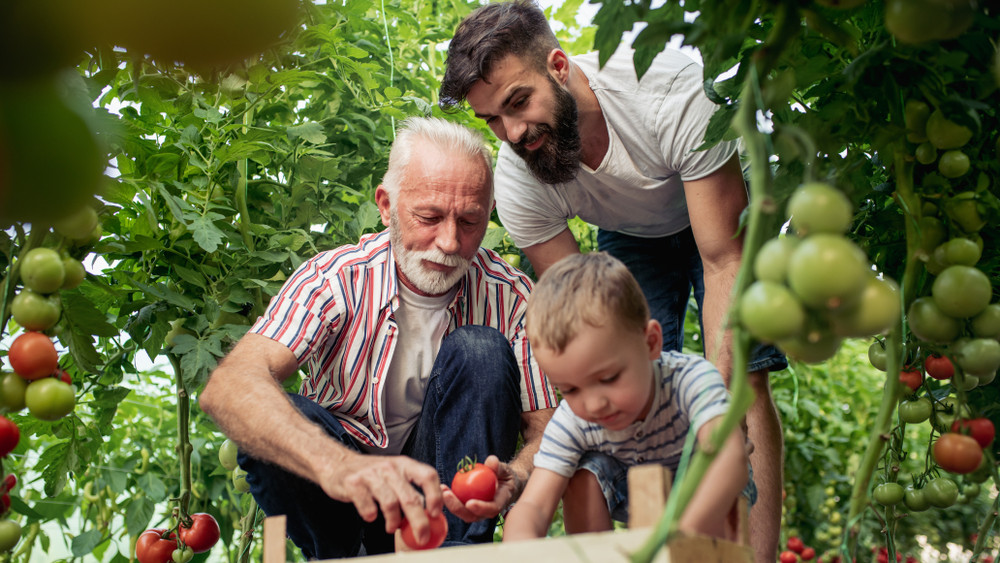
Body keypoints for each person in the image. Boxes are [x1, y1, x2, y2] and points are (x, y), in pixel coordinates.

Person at [438, 2, 787, 561]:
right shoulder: (520, 183)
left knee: (746, 379)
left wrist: (711, 415)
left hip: (717, 210)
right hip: (630, 232)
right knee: (621, 382)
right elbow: (580, 311)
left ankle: (758, 557)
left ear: (558, 65)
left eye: (518, 103)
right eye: (492, 121)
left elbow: (722, 259)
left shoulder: (669, 90)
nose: (512, 132)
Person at [199, 116, 557, 560]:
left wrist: (518, 474)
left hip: (443, 502)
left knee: (480, 349)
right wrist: (342, 467)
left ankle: (454, 555)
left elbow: (545, 432)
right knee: (274, 414)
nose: (449, 242)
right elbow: (229, 387)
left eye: (469, 221)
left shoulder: (511, 296)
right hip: (340, 501)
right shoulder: (334, 279)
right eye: (428, 217)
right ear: (386, 206)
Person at [504, 252, 752, 541]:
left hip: (706, 492)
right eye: (570, 389)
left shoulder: (692, 381)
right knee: (581, 475)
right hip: (631, 487)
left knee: (719, 469)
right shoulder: (572, 420)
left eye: (609, 379)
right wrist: (519, 547)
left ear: (651, 343)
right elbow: (533, 506)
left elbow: (731, 458)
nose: (594, 404)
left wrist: (681, 535)